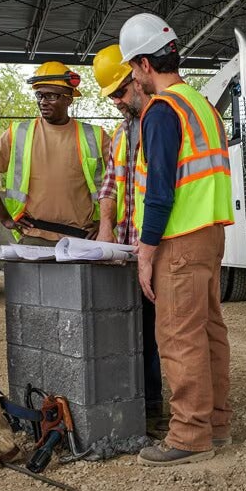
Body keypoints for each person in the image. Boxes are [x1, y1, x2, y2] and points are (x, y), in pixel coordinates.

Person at [120, 12, 234, 466]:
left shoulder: (163, 111)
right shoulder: (201, 105)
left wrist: (146, 252)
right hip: (209, 235)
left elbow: (162, 190)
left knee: (178, 336)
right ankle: (216, 425)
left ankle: (189, 435)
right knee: (208, 334)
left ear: (146, 64)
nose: (132, 76)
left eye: (132, 67)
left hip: (179, 240)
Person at [92, 43, 167, 438]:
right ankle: (140, 403)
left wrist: (150, 247)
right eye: (113, 97)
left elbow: (161, 190)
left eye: (122, 92)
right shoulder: (122, 133)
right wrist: (105, 230)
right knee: (134, 329)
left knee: (158, 332)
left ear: (138, 77)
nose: (119, 102)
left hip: (156, 245)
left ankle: (155, 409)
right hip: (126, 247)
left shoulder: (163, 120)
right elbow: (109, 187)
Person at [0, 62, 110, 245]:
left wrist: (105, 223)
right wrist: (4, 217)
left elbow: (119, 182)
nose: (43, 101)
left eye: (51, 96)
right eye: (39, 95)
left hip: (82, 239)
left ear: (69, 99)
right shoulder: (18, 133)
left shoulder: (95, 136)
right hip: (34, 236)